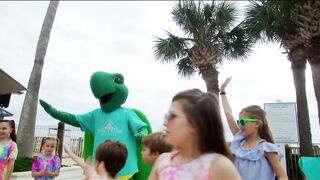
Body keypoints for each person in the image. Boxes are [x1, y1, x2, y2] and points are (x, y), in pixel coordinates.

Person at [149, 88, 240, 179]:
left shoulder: (219, 166)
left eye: (172, 116)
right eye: (166, 116)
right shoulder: (163, 161)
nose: (165, 123)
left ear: (195, 124)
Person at [220, 77, 288, 180]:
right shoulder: (240, 143)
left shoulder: (267, 148)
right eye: (239, 122)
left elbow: (282, 176)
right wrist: (222, 91)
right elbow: (228, 114)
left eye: (243, 122)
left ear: (256, 123)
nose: (240, 125)